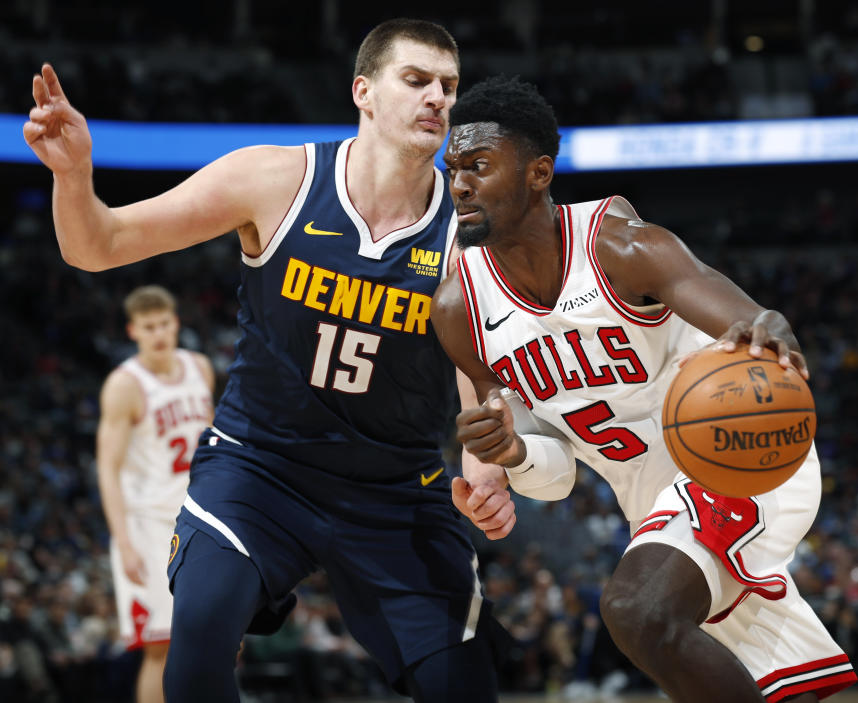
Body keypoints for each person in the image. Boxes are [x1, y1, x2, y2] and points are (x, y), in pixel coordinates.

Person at [24, 18, 503, 703]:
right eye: (417, 80)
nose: (438, 99)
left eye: (449, 87)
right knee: (194, 649)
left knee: (463, 686)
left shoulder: (469, 228)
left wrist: (485, 468)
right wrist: (74, 177)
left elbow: (478, 367)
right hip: (261, 468)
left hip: (395, 485)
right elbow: (99, 244)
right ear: (363, 91)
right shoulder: (276, 178)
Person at [431, 75, 858, 703]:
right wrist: (513, 451)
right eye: (452, 168)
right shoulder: (457, 309)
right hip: (656, 510)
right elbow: (556, 476)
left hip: (742, 460)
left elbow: (751, 317)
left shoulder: (622, 248)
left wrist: (768, 327)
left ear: (538, 174)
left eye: (479, 166)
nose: (459, 183)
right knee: (766, 684)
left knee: (634, 611)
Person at [96, 285, 214, 703]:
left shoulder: (200, 367)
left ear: (176, 322)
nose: (159, 333)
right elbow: (107, 468)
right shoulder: (124, 385)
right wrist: (123, 542)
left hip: (199, 516)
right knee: (161, 646)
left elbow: (213, 446)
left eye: (164, 323)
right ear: (133, 331)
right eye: (149, 327)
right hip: (148, 526)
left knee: (218, 640)